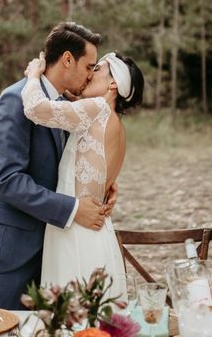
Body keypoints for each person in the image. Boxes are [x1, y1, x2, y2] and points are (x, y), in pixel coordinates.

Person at [0, 22, 114, 310]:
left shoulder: (65, 106)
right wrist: (73, 209)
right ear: (67, 59)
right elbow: (7, 179)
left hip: (51, 251)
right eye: (88, 67)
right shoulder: (15, 99)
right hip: (10, 251)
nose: (89, 76)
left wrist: (101, 183)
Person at [21, 50, 144, 299]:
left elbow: (35, 109)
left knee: (69, 317)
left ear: (113, 84)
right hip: (98, 233)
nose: (89, 75)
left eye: (96, 69)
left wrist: (33, 76)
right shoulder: (116, 126)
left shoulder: (96, 109)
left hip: (74, 231)